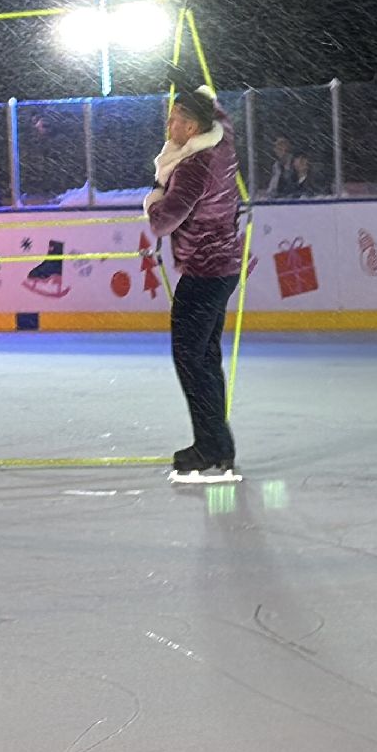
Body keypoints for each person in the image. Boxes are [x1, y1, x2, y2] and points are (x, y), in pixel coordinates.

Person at [146, 88, 244, 481]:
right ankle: (218, 444)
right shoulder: (223, 142)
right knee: (203, 359)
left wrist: (153, 195)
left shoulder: (192, 167)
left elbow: (162, 222)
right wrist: (189, 83)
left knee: (191, 359)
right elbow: (220, 114)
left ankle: (210, 445)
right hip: (222, 268)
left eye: (173, 119)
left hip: (204, 272)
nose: (167, 126)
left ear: (191, 126)